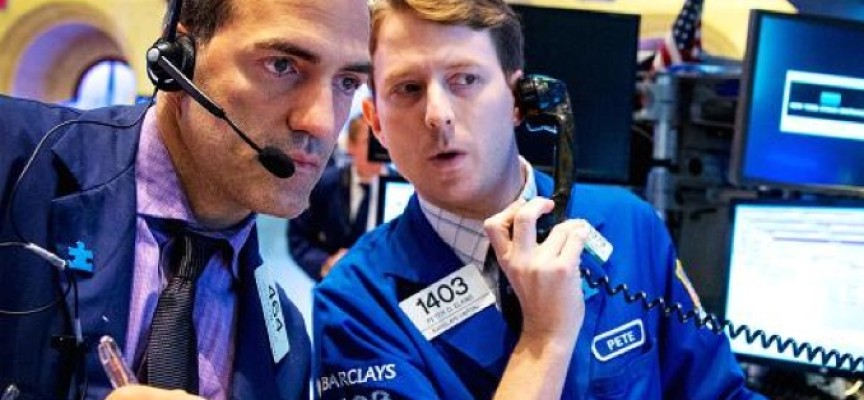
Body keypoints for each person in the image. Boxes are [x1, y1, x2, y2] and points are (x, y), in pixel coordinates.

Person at [312, 0, 764, 399]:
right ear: (376, 122)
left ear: (518, 101)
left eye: (465, 79)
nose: (438, 115)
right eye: (408, 89)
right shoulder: (356, 303)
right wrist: (544, 341)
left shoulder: (629, 226)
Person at [0, 0, 370, 398]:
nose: (323, 123)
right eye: (282, 65)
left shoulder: (287, 352)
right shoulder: (12, 154)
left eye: (347, 82)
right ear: (178, 59)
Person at [289, 114, 385, 281]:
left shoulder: (403, 190)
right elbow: (298, 238)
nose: (378, 149)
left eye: (383, 141)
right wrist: (325, 264)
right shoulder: (324, 184)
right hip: (335, 283)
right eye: (369, 142)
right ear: (351, 146)